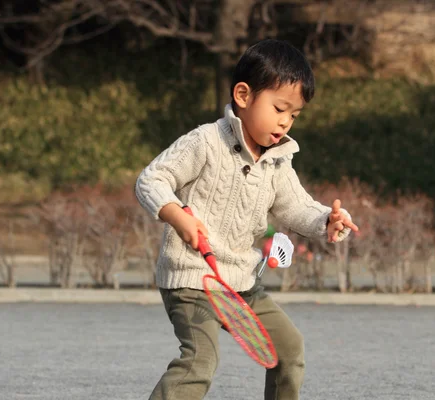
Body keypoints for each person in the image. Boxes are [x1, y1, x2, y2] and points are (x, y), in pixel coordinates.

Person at [135, 38, 359, 400]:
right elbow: (151, 180)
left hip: (240, 284)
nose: (285, 121)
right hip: (194, 281)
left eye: (294, 115)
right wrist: (178, 216)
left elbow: (295, 206)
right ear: (243, 95)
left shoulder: (277, 160)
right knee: (200, 362)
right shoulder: (206, 142)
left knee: (289, 352)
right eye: (279, 108)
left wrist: (326, 222)